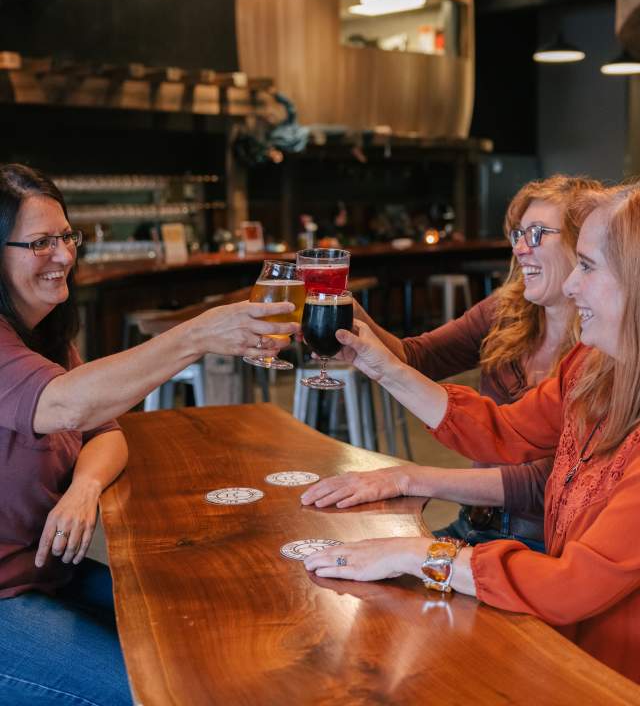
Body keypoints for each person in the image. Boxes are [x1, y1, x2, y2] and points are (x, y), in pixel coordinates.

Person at [304, 182, 640, 683]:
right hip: (560, 647)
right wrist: (379, 364)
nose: (571, 286)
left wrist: (420, 552)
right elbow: (501, 431)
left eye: (587, 266)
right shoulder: (594, 367)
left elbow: (571, 585)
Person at [0, 164, 299, 705]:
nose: (65, 256)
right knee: (154, 693)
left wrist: (83, 488)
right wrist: (199, 334)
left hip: (45, 576)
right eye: (40, 242)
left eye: (67, 236)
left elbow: (106, 430)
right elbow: (64, 405)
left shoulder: (42, 334)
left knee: (206, 638)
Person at [303, 175, 603, 551]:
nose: (521, 249)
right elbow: (419, 358)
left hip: (541, 545)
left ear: (585, 244)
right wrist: (353, 320)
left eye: (538, 233)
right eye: (518, 235)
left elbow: (542, 481)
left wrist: (411, 478)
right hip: (475, 524)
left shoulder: (604, 348)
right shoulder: (507, 310)